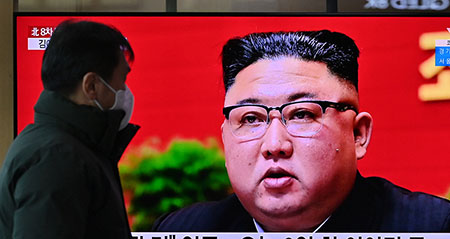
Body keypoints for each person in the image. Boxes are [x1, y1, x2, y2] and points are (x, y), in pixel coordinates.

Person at [152, 30, 450, 232]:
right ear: (225, 139)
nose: (274, 144)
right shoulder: (182, 229)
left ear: (358, 134)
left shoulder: (432, 226)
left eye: (302, 114)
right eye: (252, 119)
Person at [0, 20, 139, 238]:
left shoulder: (70, 148)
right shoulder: (56, 158)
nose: (125, 90)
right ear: (91, 85)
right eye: (123, 79)